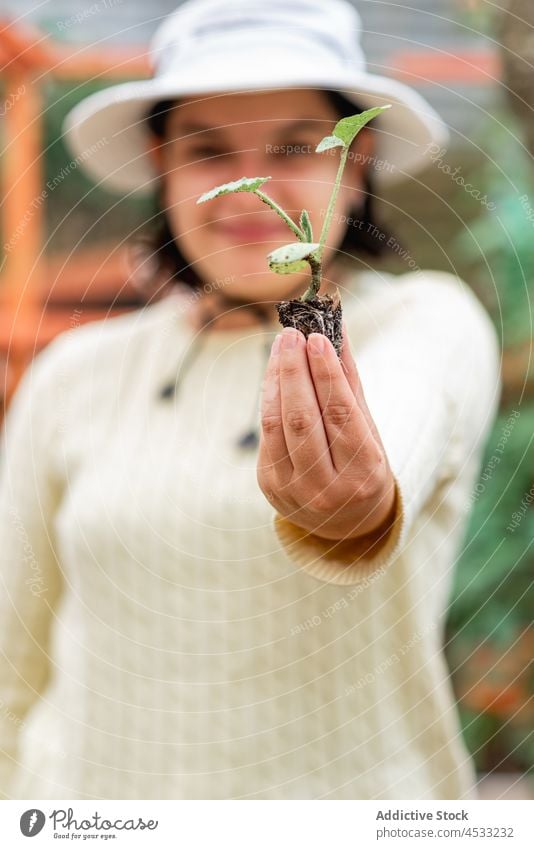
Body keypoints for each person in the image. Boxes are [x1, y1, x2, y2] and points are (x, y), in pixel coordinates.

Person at [0, 0, 501, 800]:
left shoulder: (423, 321)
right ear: (161, 164)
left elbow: (403, 419)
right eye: (208, 152)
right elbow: (10, 659)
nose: (252, 187)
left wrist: (357, 510)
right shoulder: (75, 373)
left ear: (358, 155)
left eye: (297, 146)